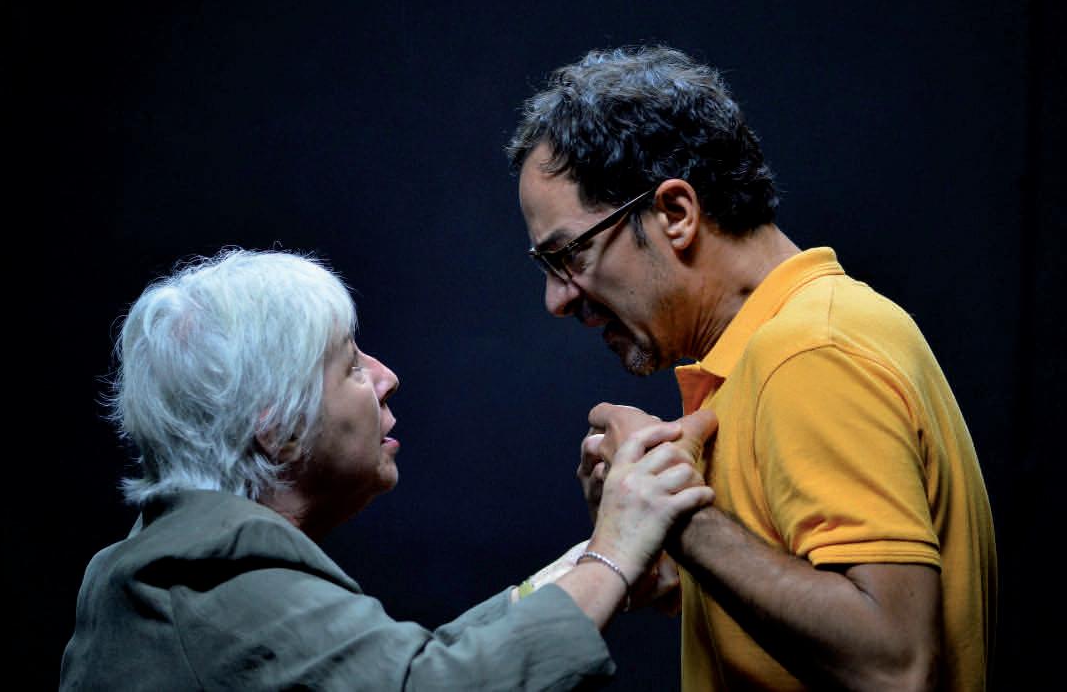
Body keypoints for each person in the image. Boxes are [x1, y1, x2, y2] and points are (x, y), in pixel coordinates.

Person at [507, 46, 998, 691]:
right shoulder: (785, 344)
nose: (556, 299)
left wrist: (676, 512)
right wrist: (659, 558)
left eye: (569, 255)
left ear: (676, 214)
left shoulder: (809, 353)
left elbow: (895, 666)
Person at [60, 248, 718, 691]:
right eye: (349, 365)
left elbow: (409, 665)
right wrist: (613, 554)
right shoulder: (207, 583)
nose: (386, 377)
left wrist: (593, 561)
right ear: (276, 426)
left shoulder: (175, 569)